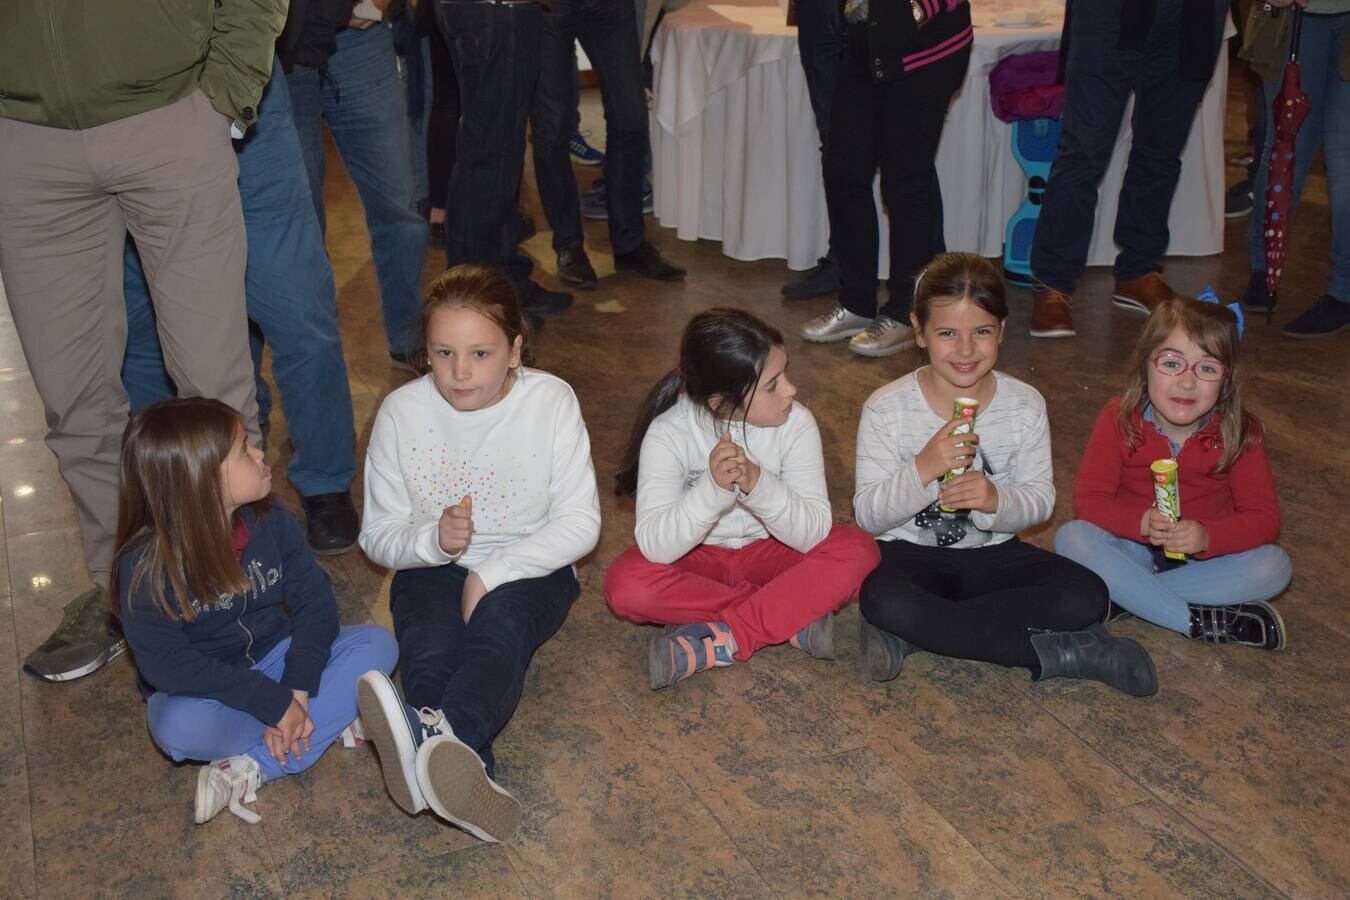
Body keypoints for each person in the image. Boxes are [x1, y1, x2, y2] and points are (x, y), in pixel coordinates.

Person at [0, 1, 284, 682]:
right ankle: (124, 598)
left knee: (216, 395)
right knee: (77, 405)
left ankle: (247, 586)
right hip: (23, 133)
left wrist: (225, 93)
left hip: (171, 111)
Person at [356, 265, 600, 842]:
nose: (459, 372)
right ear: (426, 351)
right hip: (431, 565)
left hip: (533, 565)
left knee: (500, 631)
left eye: (481, 353)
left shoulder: (551, 401)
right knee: (429, 647)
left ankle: (433, 739)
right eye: (443, 353)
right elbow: (377, 534)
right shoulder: (400, 412)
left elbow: (581, 524)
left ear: (516, 350)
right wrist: (431, 542)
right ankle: (463, 769)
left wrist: (491, 572)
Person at [853, 253, 1157, 696]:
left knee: (1086, 594)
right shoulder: (886, 408)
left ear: (1001, 330)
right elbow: (868, 517)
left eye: (981, 332)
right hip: (910, 556)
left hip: (994, 555)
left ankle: (927, 631)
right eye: (946, 333)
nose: (965, 349)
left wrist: (996, 500)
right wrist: (923, 469)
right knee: (884, 599)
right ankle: (1066, 654)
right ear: (918, 331)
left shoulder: (1025, 403)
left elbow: (1040, 500)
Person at [114, 399, 398, 825]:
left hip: (279, 660)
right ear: (200, 482)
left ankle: (253, 766)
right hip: (213, 692)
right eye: (244, 451)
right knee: (176, 727)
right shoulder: (144, 566)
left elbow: (314, 601)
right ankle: (326, 720)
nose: (261, 454)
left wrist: (296, 689)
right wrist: (270, 701)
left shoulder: (271, 517)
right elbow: (169, 667)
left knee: (379, 644)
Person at [122, 57, 362, 557]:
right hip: (126, 110)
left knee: (297, 309)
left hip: (238, 91)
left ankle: (324, 479)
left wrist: (237, 67)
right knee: (145, 327)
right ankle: (176, 489)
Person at [605, 309, 881, 690]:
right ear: (720, 403)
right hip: (696, 560)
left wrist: (759, 485)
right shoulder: (669, 432)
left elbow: (814, 533)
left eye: (785, 373)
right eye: (772, 385)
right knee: (627, 586)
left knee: (859, 549)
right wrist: (712, 491)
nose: (791, 390)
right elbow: (656, 545)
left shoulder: (797, 423)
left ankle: (722, 638)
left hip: (775, 552)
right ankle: (789, 614)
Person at [1055, 297, 1292, 649]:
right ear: (1145, 365)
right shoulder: (1119, 418)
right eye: (1171, 363)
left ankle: (1127, 598)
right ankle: (1195, 621)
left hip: (1205, 564)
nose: (1186, 383)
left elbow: (1264, 520)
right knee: (1071, 538)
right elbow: (1090, 502)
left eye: (1207, 369)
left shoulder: (1239, 433)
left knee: (1275, 566)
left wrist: (1207, 536)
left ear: (1226, 381)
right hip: (1131, 549)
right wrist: (1140, 522)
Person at [1027, 0, 1228, 338]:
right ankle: (1053, 281)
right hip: (1110, 10)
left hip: (1195, 11)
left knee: (1162, 150)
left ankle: (1139, 268)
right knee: (1083, 152)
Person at [801, 0, 973, 358]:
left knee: (906, 180)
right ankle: (856, 303)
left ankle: (904, 311)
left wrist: (919, 9)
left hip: (924, 51)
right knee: (843, 171)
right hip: (864, 45)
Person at [285, 8, 431, 368]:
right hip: (284, 47)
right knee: (299, 223)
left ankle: (408, 337)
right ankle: (312, 364)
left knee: (398, 204)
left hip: (363, 40)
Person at [530, 0, 686, 289]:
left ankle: (629, 244)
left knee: (631, 119)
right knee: (553, 129)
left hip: (610, 7)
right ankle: (568, 245)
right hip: (550, 9)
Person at [433, 0, 575, 316]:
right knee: (488, 158)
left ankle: (502, 283)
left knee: (499, 159)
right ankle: (477, 298)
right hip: (494, 14)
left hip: (497, 14)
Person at [1236, 0, 1350, 339]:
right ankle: (1263, 269)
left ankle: (1345, 289)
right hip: (1290, 20)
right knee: (1284, 149)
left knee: (1344, 155)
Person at [780, 0, 846, 301]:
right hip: (818, 13)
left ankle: (910, 273)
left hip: (880, 14)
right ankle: (842, 260)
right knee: (834, 140)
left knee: (898, 146)